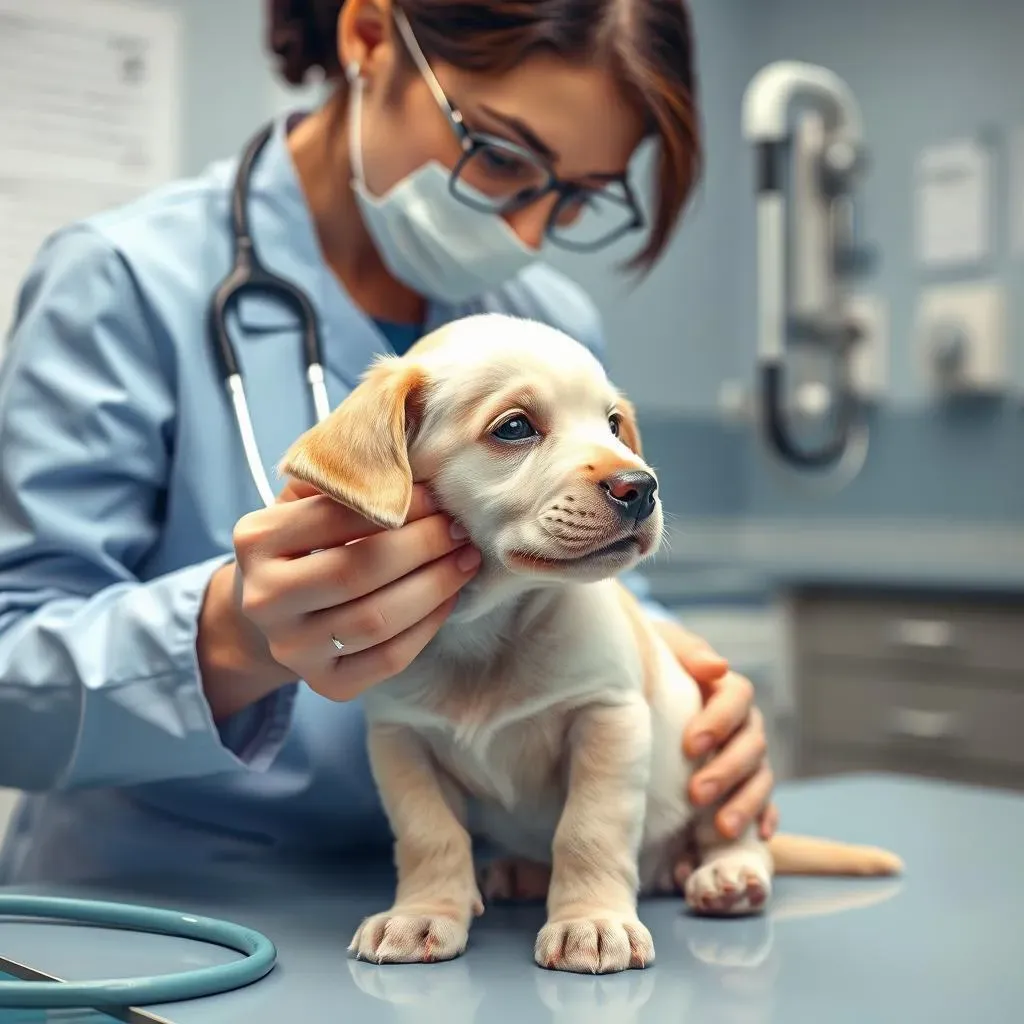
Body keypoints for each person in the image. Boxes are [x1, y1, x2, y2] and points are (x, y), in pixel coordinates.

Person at [0, 0, 776, 887]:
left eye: (576, 196)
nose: (526, 235)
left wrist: (681, 685)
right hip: (168, 904)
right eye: (500, 157)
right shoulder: (122, 281)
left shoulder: (549, 319)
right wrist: (228, 639)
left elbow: (553, 563)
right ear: (369, 36)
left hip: (477, 907)